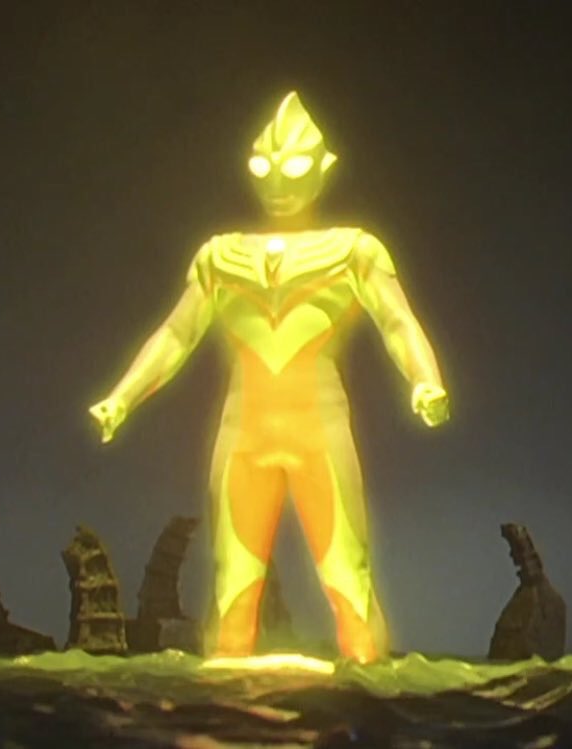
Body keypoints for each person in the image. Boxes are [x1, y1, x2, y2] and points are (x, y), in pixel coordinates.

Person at [89, 92, 449, 663]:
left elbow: (397, 321)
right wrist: (121, 398)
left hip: (318, 435)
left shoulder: (353, 251)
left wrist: (424, 380)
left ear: (323, 169)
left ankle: (373, 702)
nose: (279, 182)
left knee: (349, 582)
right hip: (244, 440)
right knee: (233, 588)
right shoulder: (220, 257)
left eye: (295, 167)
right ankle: (225, 707)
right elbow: (176, 335)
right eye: (265, 167)